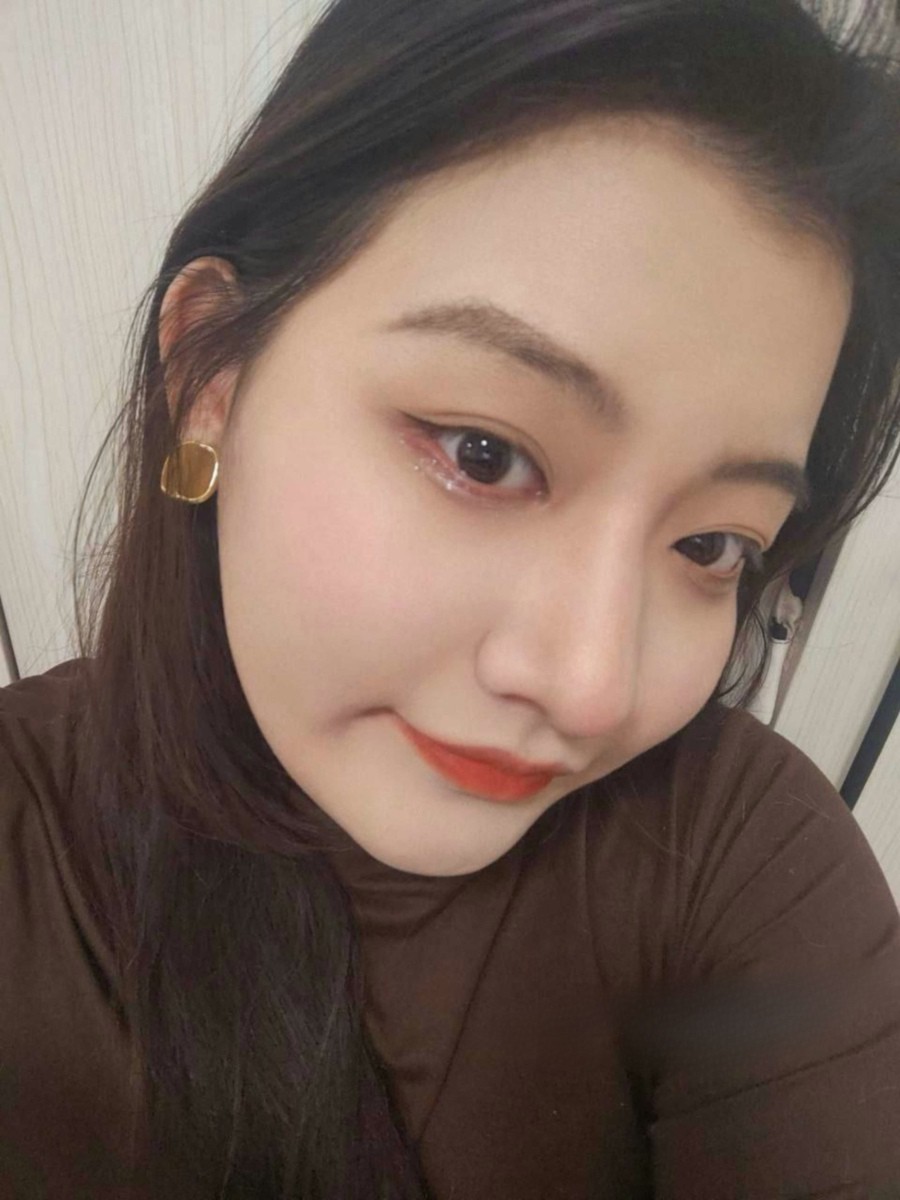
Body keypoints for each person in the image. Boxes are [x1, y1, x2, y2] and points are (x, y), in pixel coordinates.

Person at [1, 0, 899, 1196]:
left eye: (710, 543)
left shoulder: (741, 861)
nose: (591, 687)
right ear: (211, 374)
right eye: (484, 453)